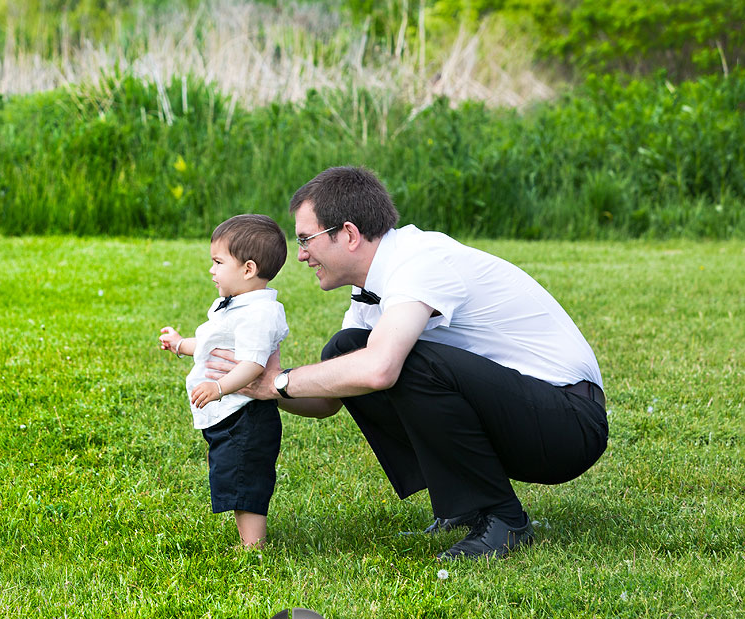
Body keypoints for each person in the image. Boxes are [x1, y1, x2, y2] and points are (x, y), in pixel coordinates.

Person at [207, 167, 608, 560]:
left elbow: (380, 369)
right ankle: (463, 506)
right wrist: (261, 384)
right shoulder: (374, 287)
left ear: (348, 234)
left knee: (398, 362)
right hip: (526, 413)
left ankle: (504, 519)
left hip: (568, 423)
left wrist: (281, 383)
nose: (301, 255)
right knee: (346, 350)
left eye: (306, 240)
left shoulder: (420, 261)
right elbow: (331, 400)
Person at [158, 214, 290, 548]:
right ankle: (248, 540)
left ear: (248, 269)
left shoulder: (258, 314)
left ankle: (252, 547)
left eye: (218, 262)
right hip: (229, 415)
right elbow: (210, 345)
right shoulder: (233, 306)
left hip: (245, 415)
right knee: (233, 476)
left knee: (246, 480)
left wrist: (219, 387)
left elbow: (253, 364)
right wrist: (179, 344)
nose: (211, 270)